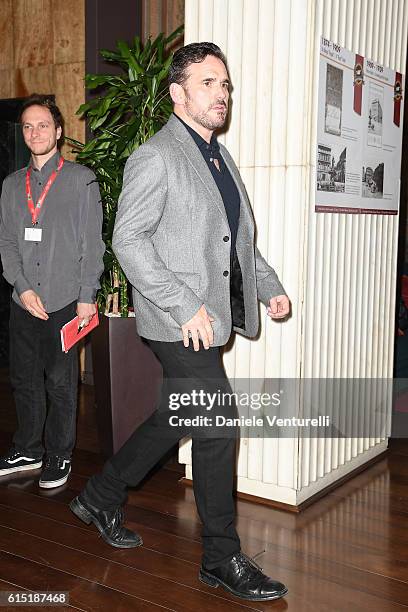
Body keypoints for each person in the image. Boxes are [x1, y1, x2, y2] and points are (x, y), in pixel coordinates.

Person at [70, 43, 289, 601]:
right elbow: (128, 240)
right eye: (210, 82)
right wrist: (184, 303)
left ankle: (100, 494)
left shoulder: (219, 157)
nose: (223, 93)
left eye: (226, 84)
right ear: (177, 93)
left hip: (207, 316)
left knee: (177, 415)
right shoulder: (157, 154)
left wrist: (269, 287)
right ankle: (221, 556)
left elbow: (237, 242)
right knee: (219, 427)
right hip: (178, 320)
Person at [0, 94, 104, 489]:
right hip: (23, 301)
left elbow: (92, 244)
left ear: (58, 131)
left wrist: (86, 295)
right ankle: (28, 448)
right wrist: (22, 289)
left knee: (61, 384)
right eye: (27, 126)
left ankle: (59, 455)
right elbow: (8, 244)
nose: (35, 132)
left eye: (43, 125)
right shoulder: (12, 186)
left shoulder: (82, 179)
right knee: (23, 380)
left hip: (65, 301)